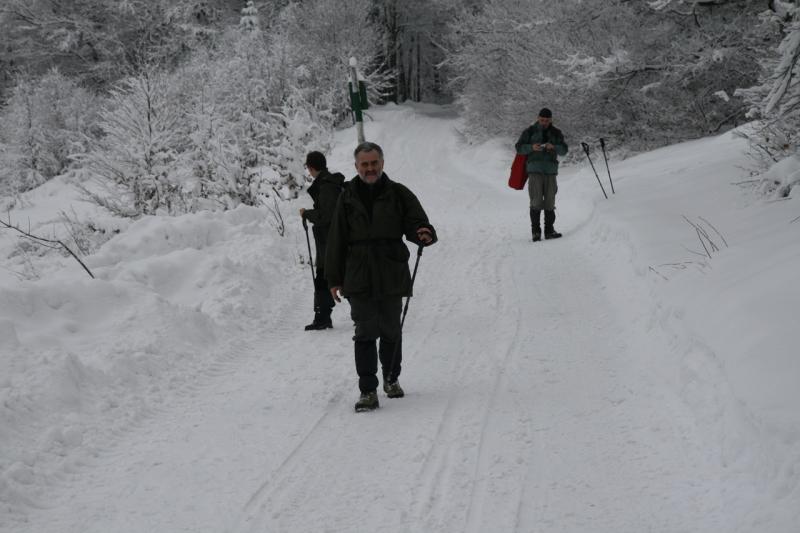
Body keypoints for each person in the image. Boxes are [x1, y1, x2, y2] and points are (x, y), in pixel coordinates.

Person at [326, 142, 437, 412]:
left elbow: (416, 221)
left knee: (390, 329)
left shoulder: (398, 193)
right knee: (365, 332)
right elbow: (336, 237)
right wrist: (334, 279)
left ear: (382, 163)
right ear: (356, 167)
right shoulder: (347, 197)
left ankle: (391, 378)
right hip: (358, 272)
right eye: (364, 164)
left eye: (374, 163)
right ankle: (367, 391)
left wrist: (423, 232)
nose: (370, 168)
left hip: (391, 269)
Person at [299, 151, 345, 330]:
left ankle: (323, 318)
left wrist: (307, 214)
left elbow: (326, 215)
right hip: (330, 239)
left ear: (310, 168)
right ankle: (322, 317)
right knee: (327, 277)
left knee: (329, 277)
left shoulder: (326, 186)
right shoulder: (329, 183)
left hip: (330, 240)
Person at [514, 108, 568, 241]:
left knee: (550, 202)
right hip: (534, 170)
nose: (544, 122)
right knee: (536, 201)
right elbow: (519, 147)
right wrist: (531, 147)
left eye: (547, 120)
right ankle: (536, 232)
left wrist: (553, 147)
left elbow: (564, 150)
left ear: (551, 120)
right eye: (542, 120)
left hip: (550, 171)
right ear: (538, 118)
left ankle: (549, 231)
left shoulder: (556, 133)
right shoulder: (529, 131)